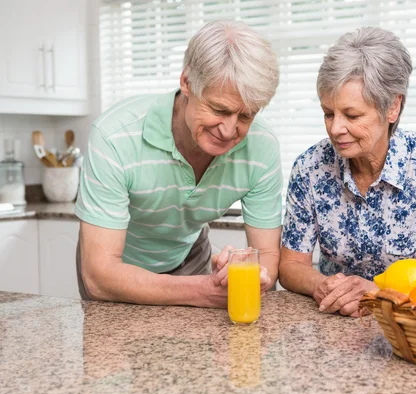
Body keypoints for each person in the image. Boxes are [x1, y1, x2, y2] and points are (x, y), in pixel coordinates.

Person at [75, 20, 282, 307]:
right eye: (219, 109)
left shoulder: (262, 146)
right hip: (117, 269)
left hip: (189, 257)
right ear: (186, 83)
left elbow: (268, 256)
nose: (228, 130)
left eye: (246, 116)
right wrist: (204, 291)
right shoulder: (114, 137)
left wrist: (257, 273)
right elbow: (98, 276)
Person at [278, 27, 416, 318]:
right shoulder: (309, 167)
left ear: (392, 107)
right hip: (332, 318)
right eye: (329, 113)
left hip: (406, 322)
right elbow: (290, 267)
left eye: (352, 115)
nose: (335, 128)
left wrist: (375, 293)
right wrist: (325, 286)